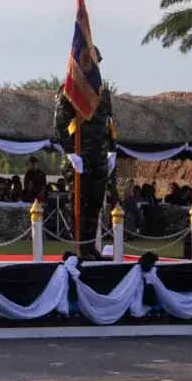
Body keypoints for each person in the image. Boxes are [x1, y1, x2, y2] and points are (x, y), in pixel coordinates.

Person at [54, 83, 117, 261]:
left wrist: (112, 148)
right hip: (79, 155)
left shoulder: (103, 91)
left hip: (99, 155)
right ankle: (80, 248)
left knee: (95, 203)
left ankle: (90, 247)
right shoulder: (70, 87)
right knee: (79, 204)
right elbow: (60, 124)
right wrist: (70, 152)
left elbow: (109, 121)